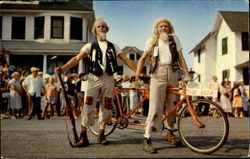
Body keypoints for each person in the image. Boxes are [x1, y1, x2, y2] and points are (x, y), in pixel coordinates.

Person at [56, 17, 137, 147]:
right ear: (95, 30)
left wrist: (138, 71)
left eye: (103, 26)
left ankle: (101, 133)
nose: (101, 28)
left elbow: (126, 60)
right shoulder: (89, 46)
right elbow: (77, 58)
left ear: (107, 29)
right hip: (93, 78)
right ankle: (83, 135)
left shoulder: (114, 46)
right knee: (88, 105)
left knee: (107, 105)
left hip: (109, 78)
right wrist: (63, 68)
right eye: (99, 26)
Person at [136, 18, 191, 154]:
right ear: (157, 29)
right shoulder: (152, 41)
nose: (163, 28)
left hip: (172, 72)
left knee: (171, 105)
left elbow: (181, 57)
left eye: (166, 26)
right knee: (155, 106)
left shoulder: (175, 40)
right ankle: (147, 137)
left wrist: (187, 73)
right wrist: (137, 74)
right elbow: (142, 58)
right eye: (161, 26)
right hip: (158, 73)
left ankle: (170, 132)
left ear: (170, 28)